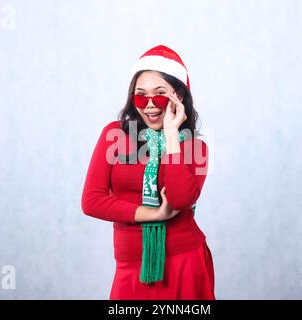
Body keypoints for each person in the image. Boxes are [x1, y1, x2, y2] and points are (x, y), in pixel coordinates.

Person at [81, 45, 215, 300]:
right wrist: (152, 214)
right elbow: (91, 201)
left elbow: (180, 200)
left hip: (184, 260)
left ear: (178, 97)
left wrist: (172, 135)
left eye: (160, 95)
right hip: (131, 263)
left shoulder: (195, 147)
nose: (150, 105)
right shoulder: (115, 136)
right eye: (141, 96)